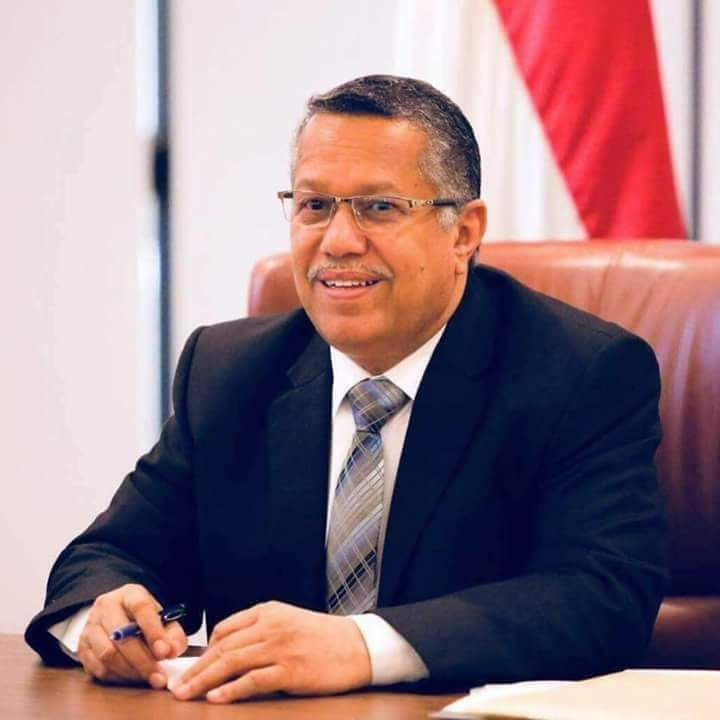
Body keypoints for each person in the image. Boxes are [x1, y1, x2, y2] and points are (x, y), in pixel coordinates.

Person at [26, 75, 667, 703]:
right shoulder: (228, 372)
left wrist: (362, 646)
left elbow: (602, 597)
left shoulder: (581, 373)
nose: (338, 241)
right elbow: (104, 558)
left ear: (464, 233)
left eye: (379, 207)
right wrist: (102, 623)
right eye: (314, 205)